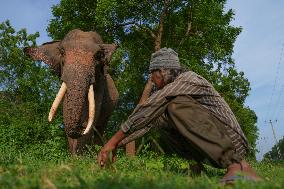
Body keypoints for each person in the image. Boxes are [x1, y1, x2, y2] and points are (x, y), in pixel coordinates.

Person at [97, 48, 261, 184]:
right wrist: (116, 144)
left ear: (161, 71)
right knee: (159, 117)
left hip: (232, 142)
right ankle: (196, 166)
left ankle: (238, 166)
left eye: (151, 74)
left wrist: (112, 141)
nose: (151, 80)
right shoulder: (167, 90)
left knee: (175, 106)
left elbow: (147, 108)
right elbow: (146, 122)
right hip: (214, 147)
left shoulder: (188, 79)